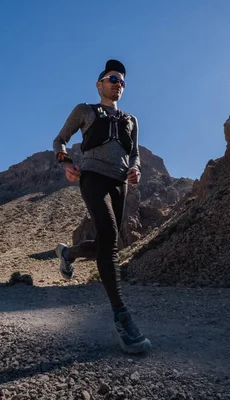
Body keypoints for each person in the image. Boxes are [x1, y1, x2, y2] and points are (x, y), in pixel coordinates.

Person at [52, 59, 151, 354]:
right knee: (108, 235)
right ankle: (123, 319)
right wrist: (66, 162)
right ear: (99, 84)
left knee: (110, 243)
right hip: (93, 176)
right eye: (112, 78)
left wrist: (136, 169)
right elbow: (60, 140)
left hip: (119, 183)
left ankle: (68, 253)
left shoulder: (131, 120)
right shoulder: (85, 111)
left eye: (121, 81)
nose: (117, 84)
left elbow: (134, 154)